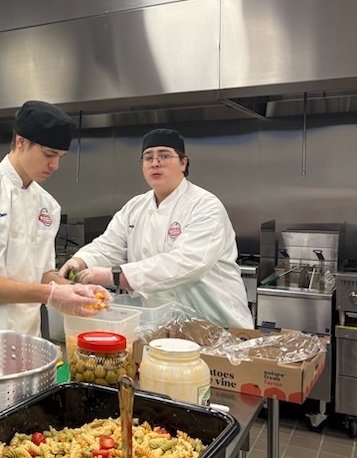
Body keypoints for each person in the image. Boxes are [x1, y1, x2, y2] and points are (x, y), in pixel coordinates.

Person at [0, 100, 111, 336]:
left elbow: (41, 273)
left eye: (60, 156)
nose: (55, 165)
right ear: (21, 141)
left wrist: (77, 290)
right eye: (49, 154)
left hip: (27, 337)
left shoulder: (48, 206)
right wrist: (50, 294)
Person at [59, 128, 253, 329]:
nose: (155, 162)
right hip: (163, 329)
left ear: (183, 163)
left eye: (164, 155)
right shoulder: (135, 207)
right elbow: (108, 245)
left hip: (217, 326)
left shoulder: (204, 206)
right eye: (148, 157)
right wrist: (79, 261)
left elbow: (187, 263)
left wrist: (114, 276)